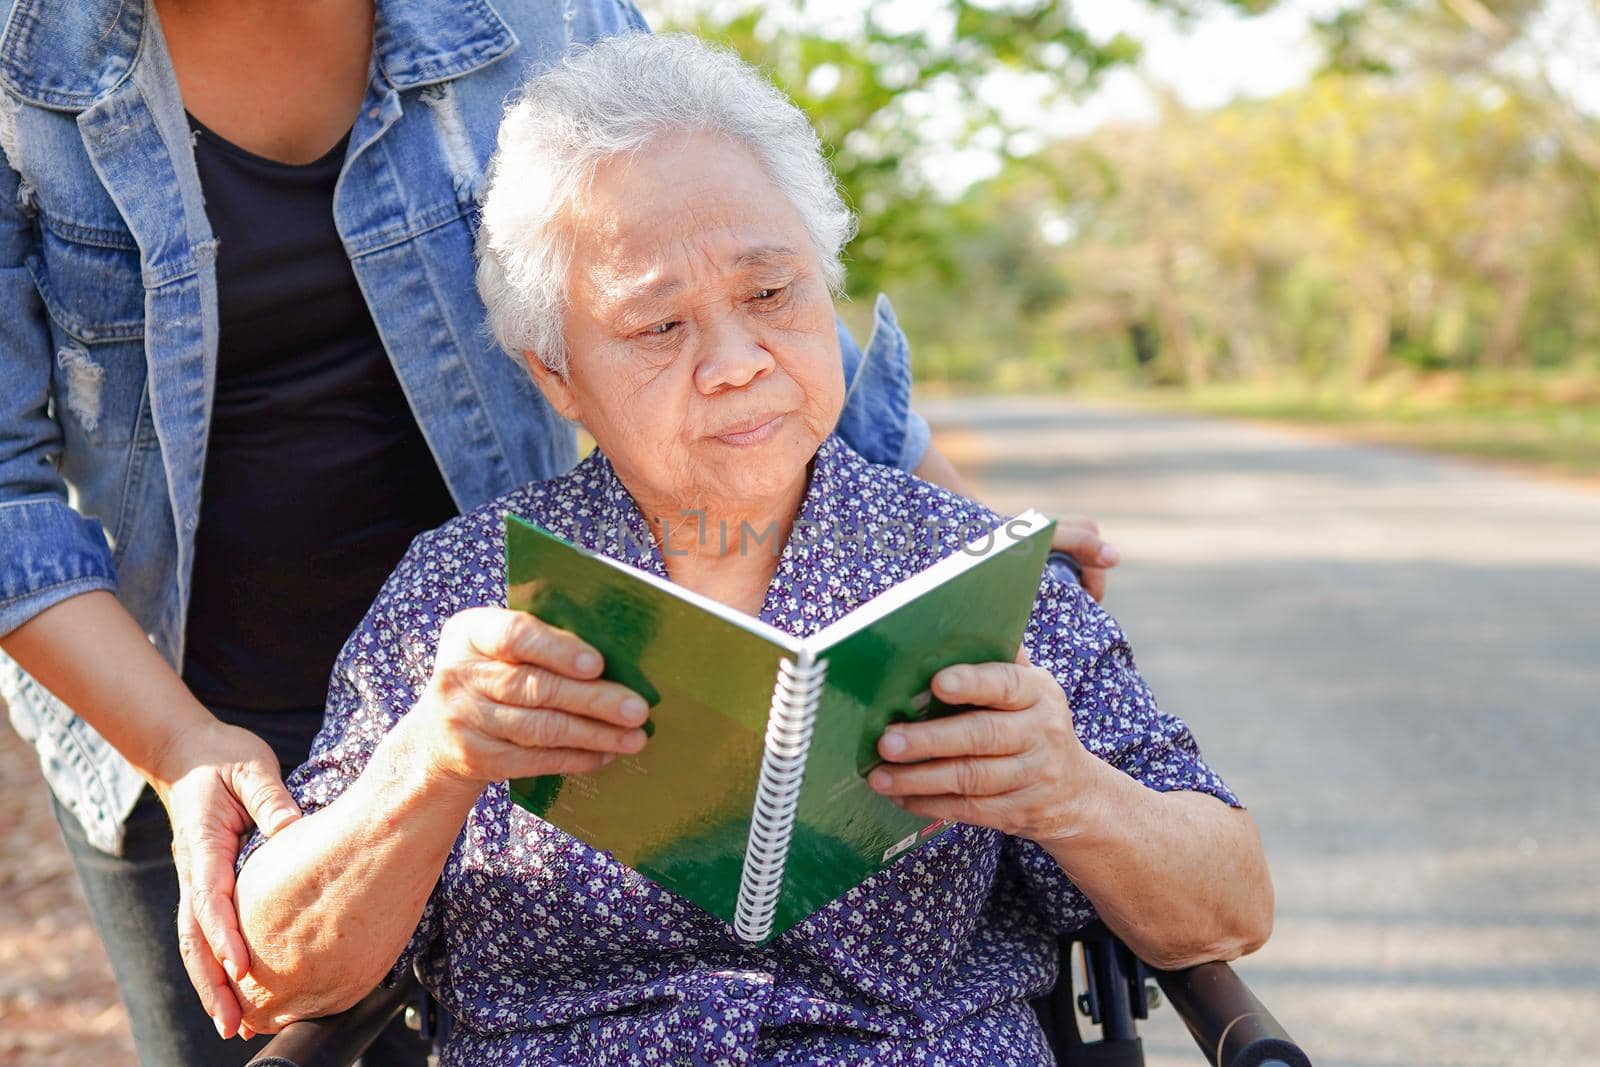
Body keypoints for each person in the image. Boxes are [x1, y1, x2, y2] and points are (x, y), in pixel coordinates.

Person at [0, 2, 1117, 1062]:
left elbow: (731, 257)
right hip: (173, 690)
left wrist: (965, 546)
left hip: (527, 646)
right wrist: (179, 740)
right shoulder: (22, 69)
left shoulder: (540, 13)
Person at [229, 34, 1273, 1065]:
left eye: (771, 295)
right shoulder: (466, 590)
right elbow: (283, 968)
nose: (736, 363)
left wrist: (1073, 789)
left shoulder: (983, 579)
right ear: (556, 374)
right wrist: (426, 764)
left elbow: (1227, 909)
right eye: (657, 327)